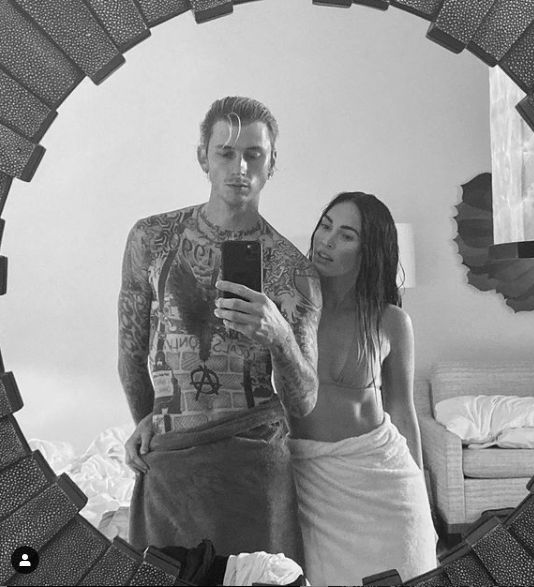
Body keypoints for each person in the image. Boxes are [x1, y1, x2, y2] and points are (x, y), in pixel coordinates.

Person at [118, 96, 321, 562]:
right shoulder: (152, 240)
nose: (240, 168)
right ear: (203, 157)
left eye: (254, 154)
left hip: (256, 466)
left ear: (272, 163)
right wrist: (148, 421)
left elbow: (305, 402)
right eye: (226, 153)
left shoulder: (293, 271)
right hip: (171, 460)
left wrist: (279, 337)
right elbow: (130, 351)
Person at [288, 192, 438, 585]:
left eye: (346, 235)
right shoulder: (287, 309)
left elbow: (402, 410)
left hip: (383, 482)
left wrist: (423, 498)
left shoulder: (390, 321)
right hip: (312, 481)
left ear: (369, 250)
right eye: (325, 226)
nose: (327, 240)